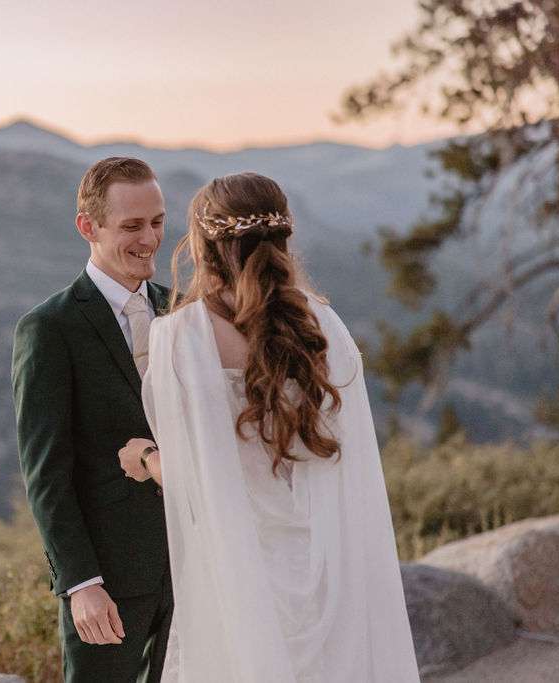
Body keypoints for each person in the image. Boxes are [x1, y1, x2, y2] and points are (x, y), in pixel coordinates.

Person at [118, 172, 420, 682]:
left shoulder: (178, 338)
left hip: (240, 573)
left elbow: (198, 480)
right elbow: (351, 462)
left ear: (201, 245)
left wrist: (146, 461)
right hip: (328, 566)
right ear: (284, 237)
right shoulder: (324, 328)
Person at [12, 157, 174, 682]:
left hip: (195, 567)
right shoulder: (49, 328)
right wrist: (81, 583)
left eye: (157, 222)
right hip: (109, 581)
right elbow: (46, 473)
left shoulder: (184, 314)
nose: (149, 239)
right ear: (88, 227)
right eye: (131, 226)